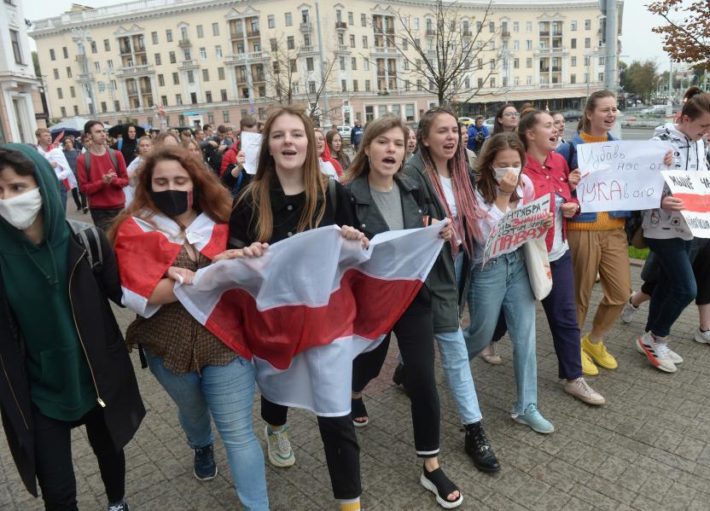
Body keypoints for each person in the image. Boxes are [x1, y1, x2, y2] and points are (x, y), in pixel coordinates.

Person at [111, 146, 269, 510]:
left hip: (226, 342)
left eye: (180, 180)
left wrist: (230, 264)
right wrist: (208, 274)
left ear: (195, 183)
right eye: (161, 181)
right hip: (168, 347)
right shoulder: (135, 229)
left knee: (238, 433)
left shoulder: (222, 222)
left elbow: (246, 274)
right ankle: (200, 444)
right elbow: (146, 292)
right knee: (194, 413)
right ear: (148, 186)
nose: (171, 187)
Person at [228, 105, 367, 511]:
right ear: (267, 146)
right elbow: (230, 254)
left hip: (328, 320)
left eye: (297, 134)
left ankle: (350, 504)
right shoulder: (250, 199)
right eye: (279, 135)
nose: (288, 141)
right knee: (276, 391)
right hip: (274, 322)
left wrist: (356, 237)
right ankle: (275, 426)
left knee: (335, 411)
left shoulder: (333, 192)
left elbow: (362, 246)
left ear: (310, 143)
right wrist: (242, 252)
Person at [0, 144, 145, 511]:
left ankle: (117, 502)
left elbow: (127, 292)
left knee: (109, 450)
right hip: (39, 391)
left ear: (44, 185)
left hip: (95, 376)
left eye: (17, 187)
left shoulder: (84, 240)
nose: (7, 199)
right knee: (58, 492)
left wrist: (177, 265)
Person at [344, 116, 467, 509]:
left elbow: (426, 225)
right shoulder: (346, 194)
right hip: (371, 302)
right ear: (368, 148)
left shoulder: (413, 188)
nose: (391, 150)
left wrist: (439, 231)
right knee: (369, 363)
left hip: (413, 297)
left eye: (399, 143)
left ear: (406, 150)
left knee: (422, 377)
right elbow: (335, 250)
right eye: (383, 142)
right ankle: (354, 392)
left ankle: (430, 465)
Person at [403, 107, 501, 476]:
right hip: (429, 274)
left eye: (455, 131)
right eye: (441, 131)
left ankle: (401, 372)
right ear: (424, 138)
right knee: (455, 351)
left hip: (460, 263)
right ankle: (474, 429)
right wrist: (425, 226)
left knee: (431, 341)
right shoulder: (411, 174)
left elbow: (477, 211)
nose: (450, 138)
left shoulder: (463, 171)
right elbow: (404, 219)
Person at [636, 88, 710, 372]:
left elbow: (706, 185)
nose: (707, 132)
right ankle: (656, 338)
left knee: (668, 283)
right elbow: (638, 185)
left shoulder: (700, 143)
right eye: (703, 125)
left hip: (693, 227)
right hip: (662, 229)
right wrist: (661, 200)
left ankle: (652, 338)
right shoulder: (659, 142)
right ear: (684, 118)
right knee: (686, 288)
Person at [463, 131, 557, 433]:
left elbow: (524, 225)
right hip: (487, 268)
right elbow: (486, 233)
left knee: (525, 337)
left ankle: (526, 405)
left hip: (516, 264)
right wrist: (503, 195)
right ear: (489, 164)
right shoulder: (476, 189)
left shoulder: (525, 184)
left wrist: (538, 224)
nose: (511, 171)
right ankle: (448, 363)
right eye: (503, 164)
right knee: (481, 333)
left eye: (516, 163)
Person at [518, 110, 606, 406]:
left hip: (557, 253)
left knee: (566, 318)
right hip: (524, 258)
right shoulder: (516, 166)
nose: (556, 129)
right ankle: (488, 341)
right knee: (508, 321)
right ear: (530, 134)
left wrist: (572, 205)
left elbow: (570, 197)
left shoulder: (559, 161)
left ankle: (573, 378)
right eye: (548, 126)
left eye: (557, 126)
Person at [556, 90, 630, 378]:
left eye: (614, 109)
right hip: (582, 230)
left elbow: (636, 182)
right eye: (605, 110)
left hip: (614, 229)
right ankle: (573, 350)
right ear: (589, 114)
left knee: (621, 292)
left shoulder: (620, 149)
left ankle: (594, 340)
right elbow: (554, 188)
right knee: (579, 295)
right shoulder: (570, 149)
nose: (611, 114)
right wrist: (568, 185)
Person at [76, 121, 129, 232]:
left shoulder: (116, 155)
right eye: (98, 132)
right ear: (89, 135)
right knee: (108, 244)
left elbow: (125, 180)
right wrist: (102, 182)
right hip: (99, 210)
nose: (103, 134)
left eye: (103, 131)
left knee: (123, 242)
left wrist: (113, 180)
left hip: (119, 207)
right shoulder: (82, 159)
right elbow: (84, 188)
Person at [124, 135, 153, 207]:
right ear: (138, 147)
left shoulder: (154, 159)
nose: (145, 148)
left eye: (147, 145)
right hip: (139, 193)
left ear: (152, 147)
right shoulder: (136, 162)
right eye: (142, 146)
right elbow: (127, 177)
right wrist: (135, 174)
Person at [62, 136, 88, 213]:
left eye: (69, 142)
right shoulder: (62, 153)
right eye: (66, 143)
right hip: (70, 175)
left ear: (72, 143)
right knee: (74, 190)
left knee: (82, 189)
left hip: (79, 172)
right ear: (64, 144)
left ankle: (84, 206)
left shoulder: (78, 151)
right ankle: (78, 205)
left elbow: (83, 162)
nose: (68, 144)